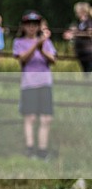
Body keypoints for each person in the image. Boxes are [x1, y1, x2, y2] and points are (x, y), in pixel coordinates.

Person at [13, 10, 56, 160]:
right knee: (30, 118)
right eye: (28, 24)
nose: (32, 27)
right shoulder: (19, 42)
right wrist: (35, 45)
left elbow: (53, 59)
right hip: (29, 84)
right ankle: (30, 149)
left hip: (45, 83)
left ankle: (42, 151)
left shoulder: (47, 43)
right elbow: (22, 58)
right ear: (23, 26)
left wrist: (41, 48)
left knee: (46, 118)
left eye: (35, 24)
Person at [62, 2, 92, 74]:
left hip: (88, 53)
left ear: (83, 11)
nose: (76, 13)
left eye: (77, 11)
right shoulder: (80, 23)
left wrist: (74, 34)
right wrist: (71, 34)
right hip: (81, 52)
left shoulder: (89, 22)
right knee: (86, 73)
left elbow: (89, 33)